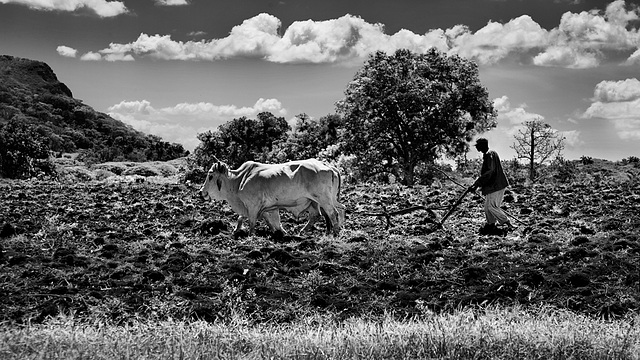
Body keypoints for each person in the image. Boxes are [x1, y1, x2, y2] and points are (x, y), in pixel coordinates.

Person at [468, 138, 515, 232]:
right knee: (487, 207)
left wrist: (477, 184)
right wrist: (476, 185)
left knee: (491, 207)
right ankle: (491, 225)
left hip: (495, 185)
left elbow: (490, 172)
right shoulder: (490, 154)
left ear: (483, 146)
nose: (477, 147)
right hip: (493, 186)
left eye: (478, 146)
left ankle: (508, 223)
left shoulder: (489, 155)